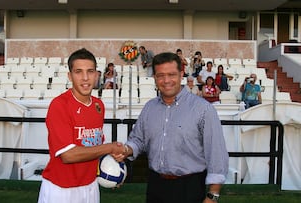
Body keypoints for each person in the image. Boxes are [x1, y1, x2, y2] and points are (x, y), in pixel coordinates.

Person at [120, 52, 229, 203]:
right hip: (155, 186)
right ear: (155, 78)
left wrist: (212, 195)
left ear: (181, 74)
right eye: (160, 75)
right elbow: (138, 139)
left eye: (171, 74)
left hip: (190, 188)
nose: (166, 81)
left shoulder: (203, 109)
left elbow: (216, 152)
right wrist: (125, 150)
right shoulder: (149, 108)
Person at [38, 48, 125, 203]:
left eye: (90, 71)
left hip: (90, 186)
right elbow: (68, 155)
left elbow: (93, 144)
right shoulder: (59, 105)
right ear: (70, 76)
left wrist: (111, 168)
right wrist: (110, 148)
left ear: (97, 74)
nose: (85, 78)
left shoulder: (98, 105)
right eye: (78, 72)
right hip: (61, 189)